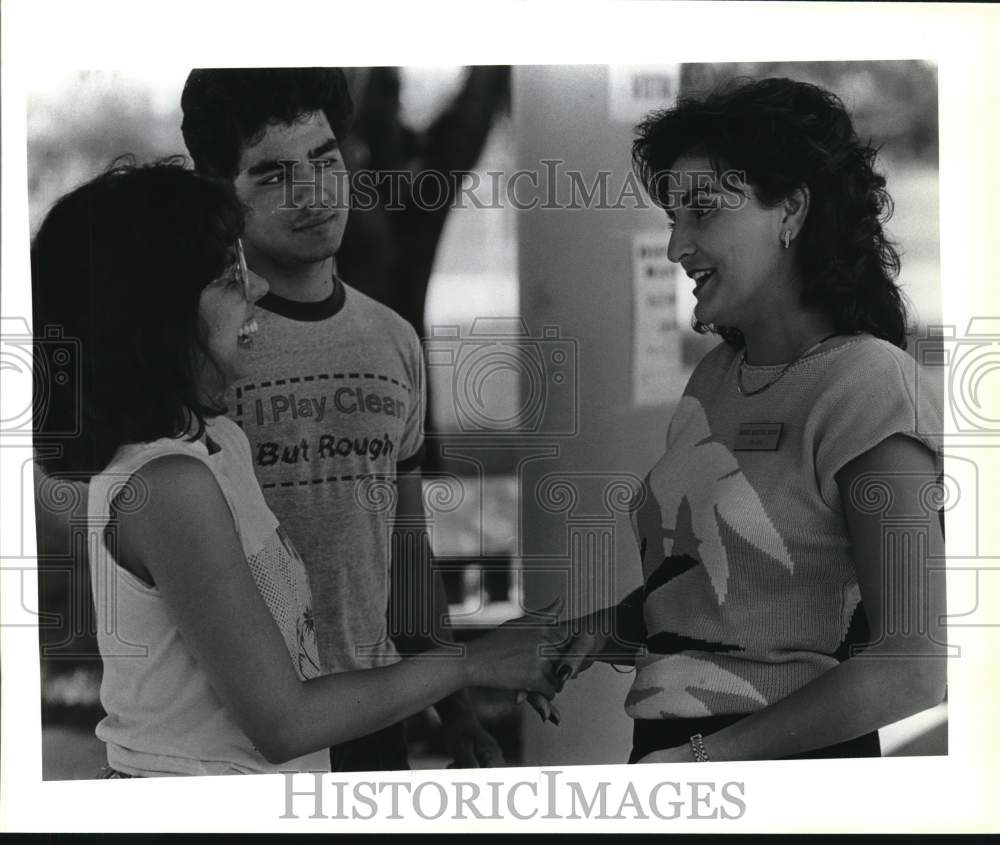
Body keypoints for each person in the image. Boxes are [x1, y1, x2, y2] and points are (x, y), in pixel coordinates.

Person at [31, 161, 564, 777]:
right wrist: (476, 663)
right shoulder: (165, 486)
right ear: (159, 317)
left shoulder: (219, 442)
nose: (255, 288)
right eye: (230, 277)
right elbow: (286, 721)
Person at [564, 77, 946, 763]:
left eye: (703, 212)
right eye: (673, 217)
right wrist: (603, 628)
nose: (677, 245)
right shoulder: (714, 377)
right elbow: (735, 595)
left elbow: (911, 666)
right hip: (673, 761)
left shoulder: (869, 384)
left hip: (791, 781)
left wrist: (704, 761)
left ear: (791, 210)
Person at [178, 67, 510, 771]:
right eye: (271, 175)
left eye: (326, 160)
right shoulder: (196, 344)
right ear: (220, 193)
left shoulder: (393, 339)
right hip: (229, 735)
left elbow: (406, 550)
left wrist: (456, 713)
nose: (313, 193)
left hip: (374, 717)